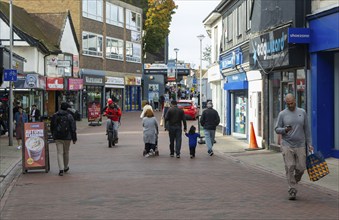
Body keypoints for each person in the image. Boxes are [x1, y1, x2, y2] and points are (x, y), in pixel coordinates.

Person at [275, 93, 313, 200]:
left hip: (300, 145)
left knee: (301, 168)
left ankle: (294, 181)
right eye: (288, 103)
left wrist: (309, 144)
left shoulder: (302, 112)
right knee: (290, 166)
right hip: (287, 144)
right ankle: (292, 190)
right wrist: (284, 130)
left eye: (291, 103)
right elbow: (277, 128)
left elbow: (307, 130)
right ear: (285, 103)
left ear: (295, 101)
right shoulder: (282, 114)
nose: (290, 105)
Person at [50, 102, 77, 176]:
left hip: (58, 137)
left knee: (59, 152)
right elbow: (73, 128)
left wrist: (53, 135)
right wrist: (74, 138)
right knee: (66, 152)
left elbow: (52, 126)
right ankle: (65, 167)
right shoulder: (69, 116)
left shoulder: (55, 115)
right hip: (67, 137)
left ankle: (61, 169)